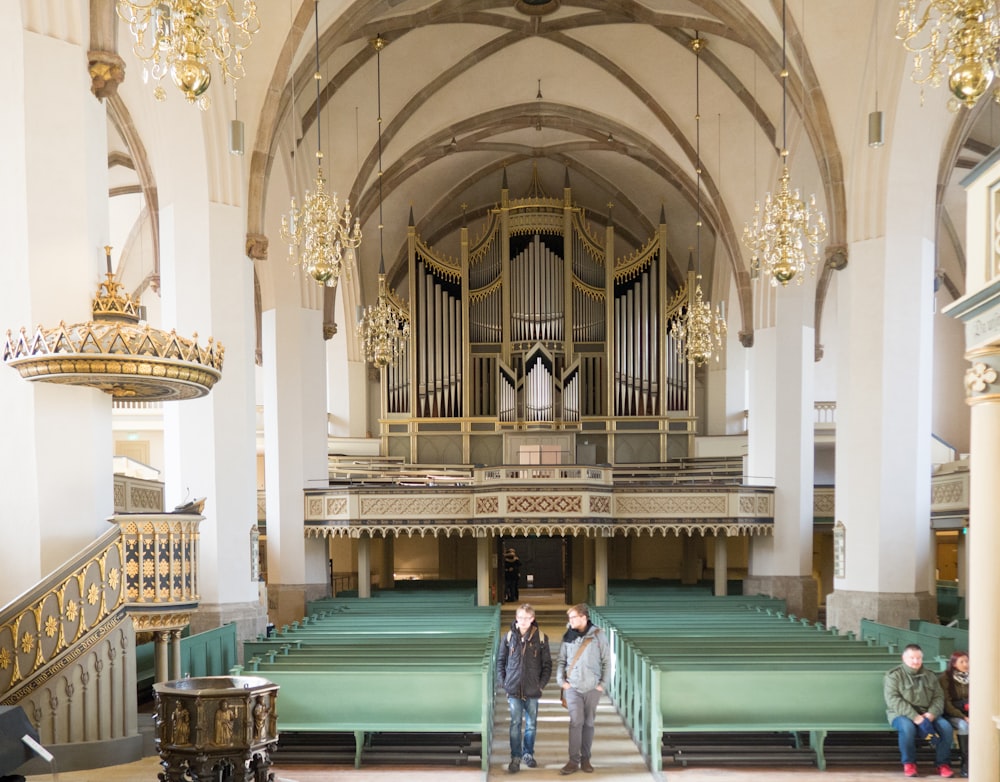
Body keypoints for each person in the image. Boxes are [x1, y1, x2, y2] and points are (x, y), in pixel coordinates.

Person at [884, 643, 955, 778]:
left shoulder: (930, 675)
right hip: (901, 714)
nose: (915, 661)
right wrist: (915, 717)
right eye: (912, 658)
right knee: (907, 728)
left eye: (918, 658)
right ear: (904, 658)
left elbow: (938, 697)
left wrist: (932, 714)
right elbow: (893, 700)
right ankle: (909, 763)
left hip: (928, 713)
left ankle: (942, 764)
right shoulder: (894, 676)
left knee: (946, 728)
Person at [497, 603, 552, 773]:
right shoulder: (508, 637)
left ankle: (528, 754)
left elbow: (547, 665)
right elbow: (500, 662)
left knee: (531, 725)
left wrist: (540, 685)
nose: (523, 621)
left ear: (532, 619)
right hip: (513, 689)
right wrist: (503, 682)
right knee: (514, 724)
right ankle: (515, 756)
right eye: (520, 617)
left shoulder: (541, 638)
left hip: (532, 690)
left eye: (527, 618)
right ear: (516, 618)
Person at [556, 603, 610, 775]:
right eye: (569, 618)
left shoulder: (598, 635)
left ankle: (586, 759)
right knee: (576, 722)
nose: (570, 621)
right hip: (573, 687)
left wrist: (603, 684)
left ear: (583, 618)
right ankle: (573, 760)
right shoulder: (568, 636)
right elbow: (561, 660)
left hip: (593, 687)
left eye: (573, 617)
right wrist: (561, 681)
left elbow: (607, 661)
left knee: (588, 723)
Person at [940, 651, 969, 777]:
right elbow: (947, 704)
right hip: (952, 714)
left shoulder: (973, 676)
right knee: (964, 726)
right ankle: (965, 761)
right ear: (954, 664)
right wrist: (963, 716)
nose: (966, 664)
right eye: (962, 662)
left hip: (970, 712)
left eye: (967, 661)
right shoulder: (945, 678)